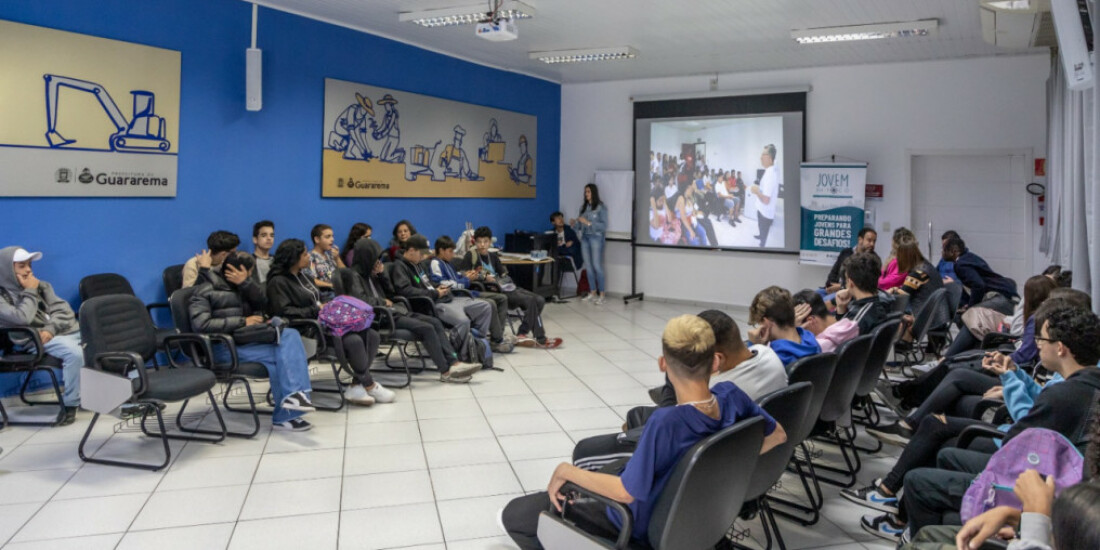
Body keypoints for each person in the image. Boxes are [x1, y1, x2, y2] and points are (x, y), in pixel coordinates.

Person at [500, 314, 787, 549]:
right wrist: (718, 466)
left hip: (634, 523)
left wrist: (565, 471)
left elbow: (625, 493)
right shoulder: (732, 395)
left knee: (516, 515)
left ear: (663, 364)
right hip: (692, 513)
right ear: (715, 362)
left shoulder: (666, 422)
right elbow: (778, 435)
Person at [847, 301, 1100, 542]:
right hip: (1049, 478)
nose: (1037, 345)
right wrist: (1015, 375)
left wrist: (1011, 382)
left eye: (1041, 339)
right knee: (944, 451)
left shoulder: (1063, 395)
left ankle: (912, 528)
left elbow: (1014, 443)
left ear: (1060, 348)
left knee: (918, 478)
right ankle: (906, 521)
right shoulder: (1085, 385)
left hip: (1027, 481)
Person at [867, 274, 1056, 446]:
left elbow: (1023, 356)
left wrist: (1002, 361)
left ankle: (905, 403)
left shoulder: (1038, 320)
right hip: (1013, 369)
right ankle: (905, 402)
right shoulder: (1043, 320)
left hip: (1012, 371)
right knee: (952, 364)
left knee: (954, 370)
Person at [188, 252, 317, 432]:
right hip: (222, 348)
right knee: (283, 352)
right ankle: (290, 407)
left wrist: (246, 284)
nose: (251, 276)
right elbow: (201, 325)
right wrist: (243, 321)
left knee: (288, 337)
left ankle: (293, 401)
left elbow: (264, 303)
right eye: (250, 273)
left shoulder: (242, 288)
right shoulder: (205, 291)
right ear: (237, 271)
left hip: (245, 341)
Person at [265, 240, 394, 407]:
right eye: (304, 254)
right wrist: (317, 309)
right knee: (354, 341)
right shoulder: (278, 282)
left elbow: (319, 298)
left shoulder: (304, 276)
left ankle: (356, 384)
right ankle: (369, 384)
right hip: (305, 329)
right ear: (293, 258)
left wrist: (334, 304)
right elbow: (284, 313)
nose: (308, 256)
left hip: (325, 322)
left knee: (372, 335)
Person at [349, 238, 481, 383]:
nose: (378, 262)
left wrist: (381, 275)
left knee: (435, 322)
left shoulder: (372, 273)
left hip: (394, 311)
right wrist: (381, 302)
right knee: (427, 327)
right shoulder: (353, 276)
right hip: (380, 318)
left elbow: (391, 293)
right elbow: (360, 300)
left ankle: (454, 363)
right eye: (375, 258)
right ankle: (445, 371)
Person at [0, 247, 81, 425]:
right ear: (7, 270)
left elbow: (64, 311)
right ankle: (71, 405)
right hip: (33, 340)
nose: (29, 270)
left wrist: (51, 328)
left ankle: (129, 394)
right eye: (22, 266)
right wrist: (29, 292)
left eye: (29, 265)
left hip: (61, 332)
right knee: (74, 354)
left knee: (107, 338)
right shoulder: (4, 296)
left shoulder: (42, 285)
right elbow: (21, 318)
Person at [465, 226, 562, 349]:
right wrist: (484, 276)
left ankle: (522, 332)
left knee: (540, 300)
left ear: (490, 242)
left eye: (485, 242)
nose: (482, 245)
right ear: (475, 242)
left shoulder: (493, 256)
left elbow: (503, 273)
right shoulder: (471, 256)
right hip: (493, 291)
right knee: (531, 301)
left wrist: (502, 277)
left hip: (506, 287)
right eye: (479, 242)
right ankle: (541, 337)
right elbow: (465, 273)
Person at [392, 234, 493, 348]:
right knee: (463, 321)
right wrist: (435, 292)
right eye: (421, 253)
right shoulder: (400, 266)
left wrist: (439, 287)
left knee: (486, 306)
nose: (424, 256)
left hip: (446, 297)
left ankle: (478, 344)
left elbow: (428, 283)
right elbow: (406, 290)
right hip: (433, 303)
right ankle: (463, 352)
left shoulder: (418, 265)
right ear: (411, 250)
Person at [429, 235, 514, 354]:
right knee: (491, 303)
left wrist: (466, 275)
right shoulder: (435, 263)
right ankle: (496, 339)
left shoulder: (447, 263)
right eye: (450, 251)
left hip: (466, 292)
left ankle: (495, 335)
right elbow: (444, 284)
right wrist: (466, 280)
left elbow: (455, 277)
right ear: (442, 251)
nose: (453, 254)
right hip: (458, 296)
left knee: (502, 298)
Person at [747, 286, 821, 368]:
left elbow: (748, 374)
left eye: (760, 323)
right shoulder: (812, 341)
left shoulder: (775, 358)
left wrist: (754, 347)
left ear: (766, 322)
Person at [943, 236, 1018, 310]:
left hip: (1000, 297)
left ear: (954, 251)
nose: (942, 252)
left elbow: (978, 285)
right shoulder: (968, 257)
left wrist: (971, 307)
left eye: (944, 249)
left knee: (969, 317)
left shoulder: (961, 265)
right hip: (1007, 292)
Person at [570, 183, 608, 304]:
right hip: (585, 238)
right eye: (585, 192)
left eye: (588, 192)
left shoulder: (601, 207)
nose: (586, 194)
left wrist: (588, 223)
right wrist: (574, 224)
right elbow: (579, 227)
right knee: (588, 266)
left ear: (593, 193)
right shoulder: (583, 208)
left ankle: (602, 294)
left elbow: (603, 225)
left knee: (597, 266)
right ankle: (592, 292)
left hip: (596, 238)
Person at [835, 252, 888, 335]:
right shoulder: (879, 305)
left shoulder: (860, 317)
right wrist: (841, 309)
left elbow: (839, 338)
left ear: (850, 283)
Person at [793, 290, 860, 353]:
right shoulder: (850, 326)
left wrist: (794, 333)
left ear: (810, 321)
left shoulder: (819, 346)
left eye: (801, 330)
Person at [823, 227, 878, 295]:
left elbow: (864, 283)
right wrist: (830, 284)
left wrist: (840, 287)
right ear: (860, 240)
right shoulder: (846, 252)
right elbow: (834, 271)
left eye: (874, 241)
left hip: (850, 292)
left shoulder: (873, 259)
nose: (872, 244)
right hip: (833, 289)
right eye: (869, 240)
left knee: (821, 303)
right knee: (812, 296)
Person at [750, 144, 781, 247]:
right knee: (760, 227)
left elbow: (766, 200)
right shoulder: (770, 169)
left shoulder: (770, 174)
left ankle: (762, 243)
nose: (760, 157)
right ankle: (761, 236)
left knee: (764, 229)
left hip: (765, 211)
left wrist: (756, 191)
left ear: (770, 158)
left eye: (763, 154)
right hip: (761, 209)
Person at [305, 224, 345, 300]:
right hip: (325, 295)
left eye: (332, 236)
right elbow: (310, 280)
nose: (332, 239)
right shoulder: (310, 258)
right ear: (317, 239)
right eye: (328, 237)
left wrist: (337, 259)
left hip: (339, 292)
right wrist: (330, 285)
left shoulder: (331, 255)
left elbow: (346, 274)